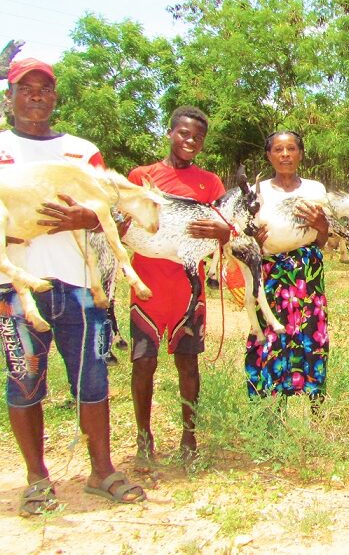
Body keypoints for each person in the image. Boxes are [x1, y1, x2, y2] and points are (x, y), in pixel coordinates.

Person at [0, 58, 145, 515]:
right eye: (25, 88)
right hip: (16, 290)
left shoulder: (81, 151)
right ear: (9, 96)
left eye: (44, 89)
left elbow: (117, 215)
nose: (35, 96)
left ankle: (102, 471)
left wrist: (90, 217)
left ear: (54, 97)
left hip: (83, 288)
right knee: (24, 381)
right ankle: (36, 479)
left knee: (94, 379)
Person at [127, 106, 229, 464]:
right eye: (184, 133)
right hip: (148, 288)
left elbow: (222, 228)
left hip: (189, 289)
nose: (190, 141)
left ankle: (189, 438)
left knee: (188, 365)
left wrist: (224, 231)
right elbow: (128, 223)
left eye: (198, 137)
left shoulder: (210, 183)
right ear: (170, 132)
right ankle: (144, 439)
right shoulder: (143, 177)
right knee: (143, 364)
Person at [242, 131, 331, 401]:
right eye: (278, 150)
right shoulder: (257, 192)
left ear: (301, 154)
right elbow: (246, 237)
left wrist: (321, 226)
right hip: (268, 272)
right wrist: (253, 241)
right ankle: (268, 402)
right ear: (268, 155)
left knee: (310, 332)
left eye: (291, 149)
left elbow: (323, 240)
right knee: (268, 332)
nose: (285, 155)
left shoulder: (315, 189)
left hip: (307, 270)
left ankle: (313, 403)